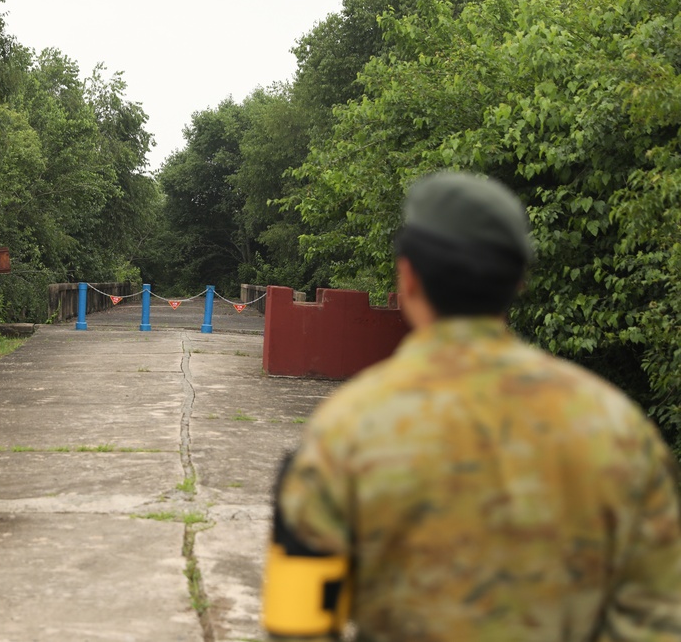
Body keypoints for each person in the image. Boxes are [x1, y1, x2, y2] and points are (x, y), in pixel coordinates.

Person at [261, 172, 681, 641]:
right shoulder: (617, 426)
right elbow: (659, 619)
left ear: (408, 276)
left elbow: (297, 627)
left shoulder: (344, 427)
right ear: (518, 281)